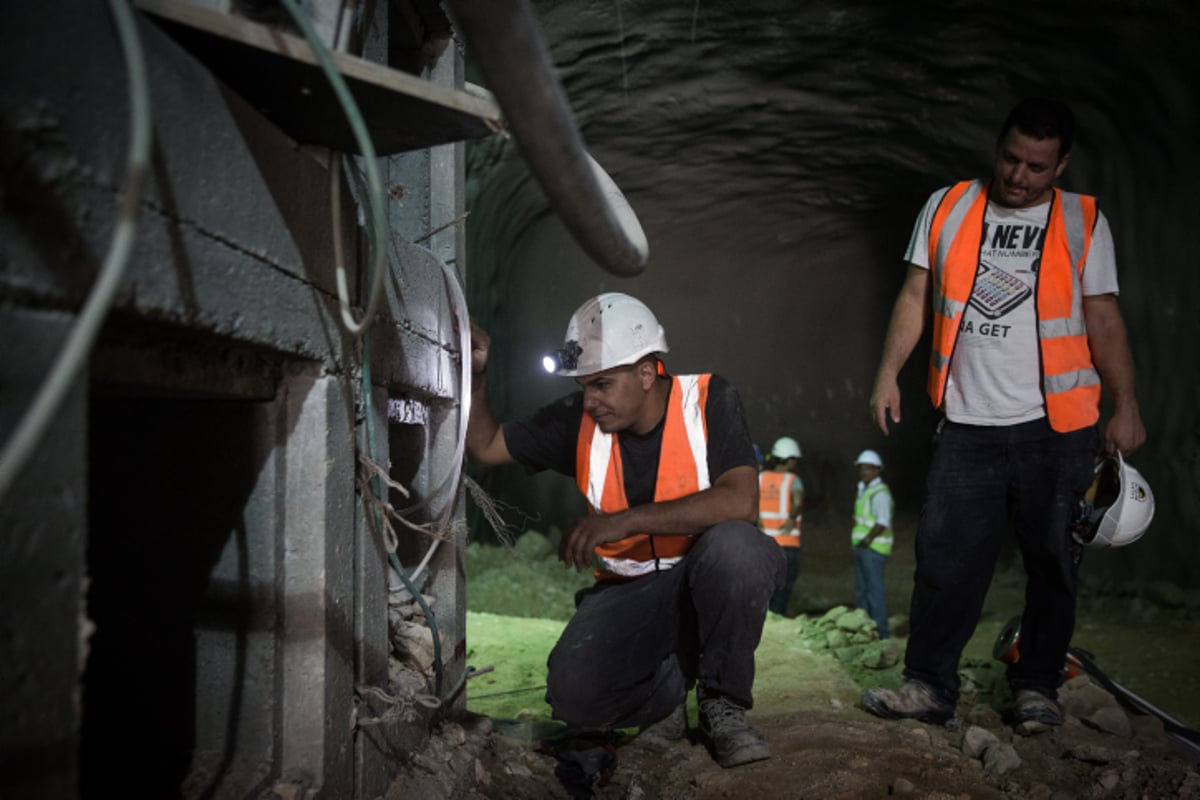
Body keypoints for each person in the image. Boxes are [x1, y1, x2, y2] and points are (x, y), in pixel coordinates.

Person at [861, 97, 1146, 729]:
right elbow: (916, 293)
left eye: (1037, 167)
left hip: (1058, 428)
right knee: (945, 561)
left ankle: (1037, 686)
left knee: (1054, 564)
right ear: (998, 147)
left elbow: (1103, 317)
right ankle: (929, 686)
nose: (1019, 176)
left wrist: (1125, 405)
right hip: (966, 424)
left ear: (1061, 164)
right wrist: (888, 374)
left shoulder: (1083, 220)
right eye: (1011, 158)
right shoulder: (948, 206)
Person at [466, 292, 786, 768]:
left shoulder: (709, 399)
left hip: (704, 577)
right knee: (573, 697)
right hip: (629, 592)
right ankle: (668, 694)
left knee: (738, 549)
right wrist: (477, 374)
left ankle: (724, 704)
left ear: (645, 373)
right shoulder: (578, 420)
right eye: (584, 386)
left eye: (602, 385)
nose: (589, 400)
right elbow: (488, 446)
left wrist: (624, 520)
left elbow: (740, 501)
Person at [758, 436, 804, 616]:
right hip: (787, 543)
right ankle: (778, 619)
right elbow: (798, 501)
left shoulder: (761, 478)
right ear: (790, 459)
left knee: (766, 587)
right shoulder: (792, 480)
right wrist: (792, 517)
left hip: (764, 544)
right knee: (783, 588)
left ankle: (765, 622)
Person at [851, 449, 893, 639]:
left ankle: (882, 632)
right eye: (862, 468)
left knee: (874, 592)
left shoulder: (880, 493)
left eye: (868, 469)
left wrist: (867, 539)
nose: (864, 472)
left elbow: (882, 522)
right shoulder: (864, 489)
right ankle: (865, 630)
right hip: (863, 546)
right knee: (862, 590)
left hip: (874, 548)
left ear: (877, 470)